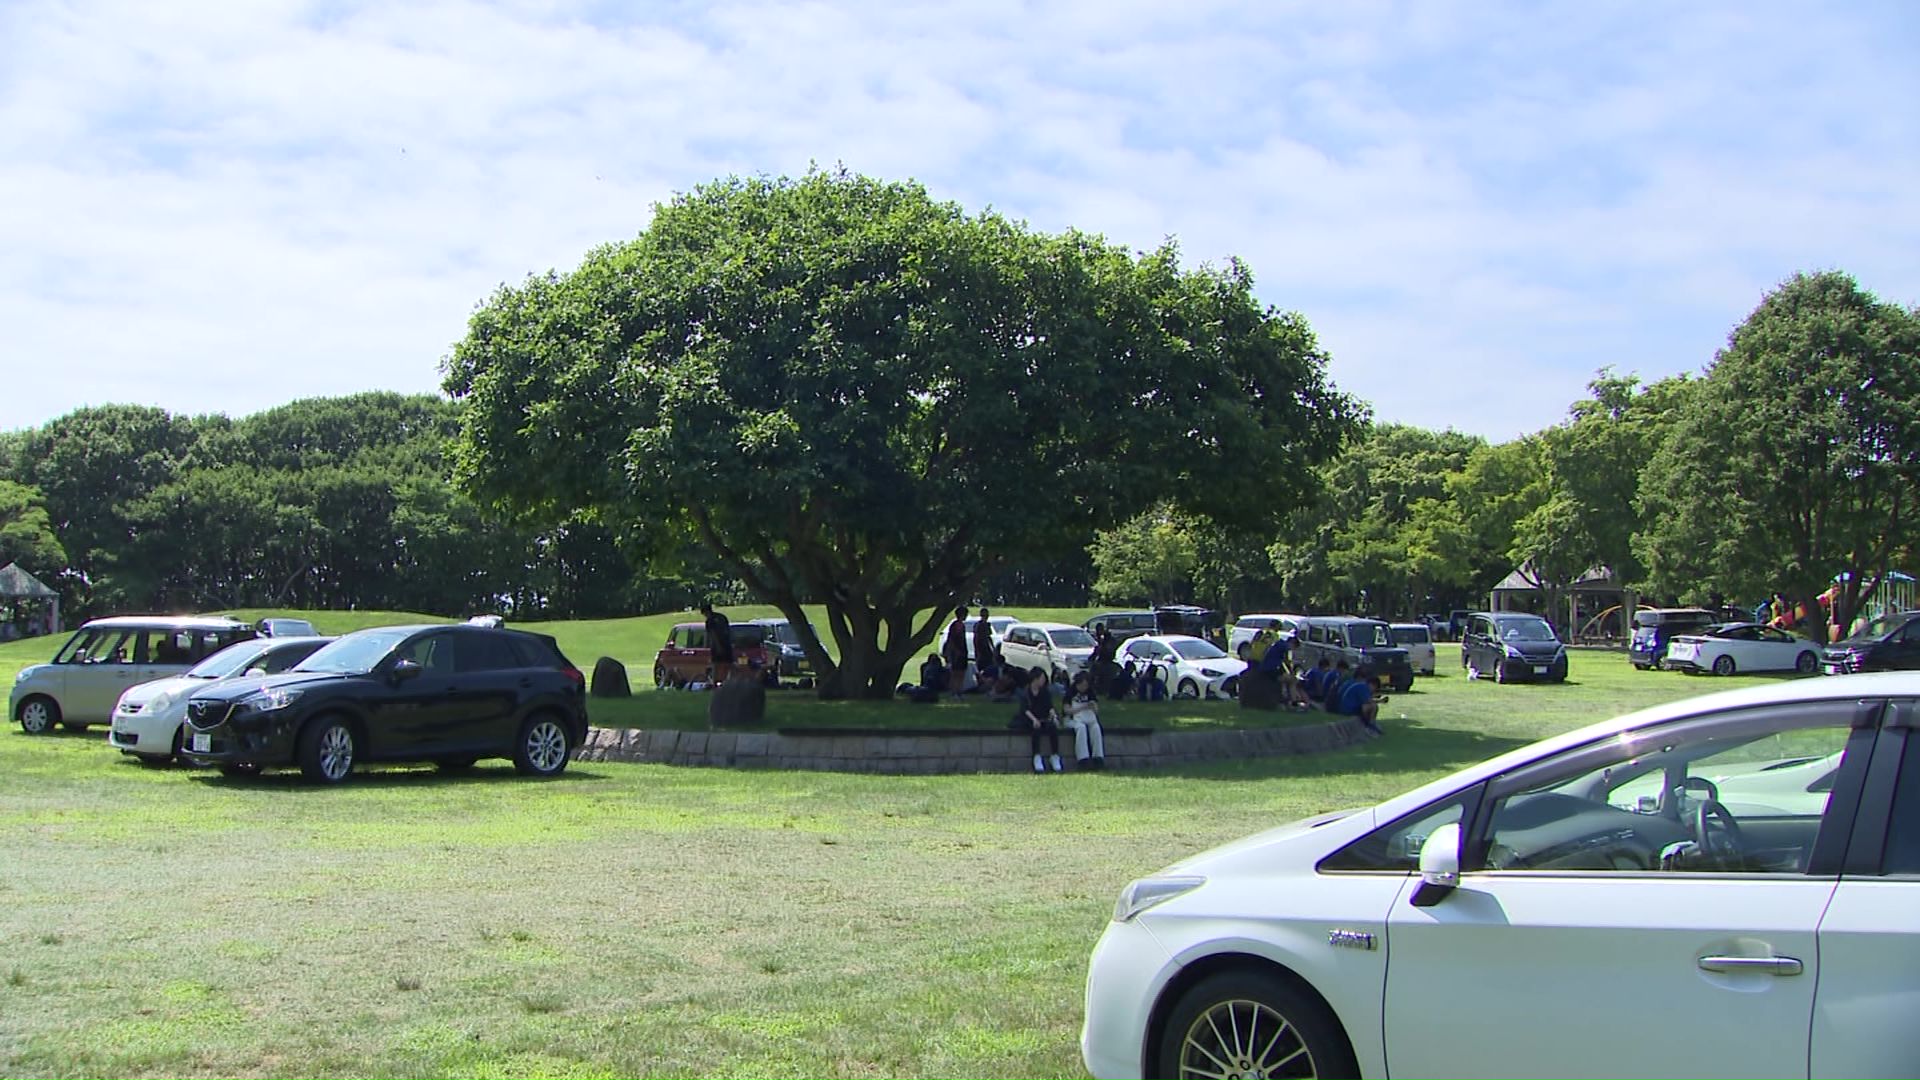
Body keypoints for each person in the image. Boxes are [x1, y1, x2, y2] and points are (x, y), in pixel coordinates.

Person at [1015, 666, 1064, 773]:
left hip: (1043, 718)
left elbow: (1049, 706)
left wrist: (1054, 716)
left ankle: (1055, 755)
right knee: (1035, 729)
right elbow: (1025, 709)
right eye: (1041, 678)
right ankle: (1036, 756)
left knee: (1052, 728)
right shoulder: (1026, 692)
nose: (1043, 680)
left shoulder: (1045, 692)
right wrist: (1034, 720)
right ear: (1035, 679)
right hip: (1029, 719)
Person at [1061, 670, 1107, 769]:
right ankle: (1083, 759)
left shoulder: (1090, 692)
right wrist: (1082, 707)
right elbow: (1067, 711)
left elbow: (1096, 710)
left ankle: (1098, 757)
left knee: (1096, 728)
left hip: (1087, 718)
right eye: (1082, 685)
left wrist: (1093, 706)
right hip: (1072, 719)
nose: (1084, 688)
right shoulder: (1070, 693)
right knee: (1081, 728)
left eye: (1086, 685)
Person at [1329, 662, 1384, 733]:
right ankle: (1370, 724)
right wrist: (1380, 701)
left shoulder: (1356, 684)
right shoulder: (1362, 686)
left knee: (1369, 705)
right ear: (1372, 684)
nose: (1373, 691)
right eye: (1375, 688)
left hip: (1341, 706)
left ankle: (1369, 723)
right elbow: (1368, 701)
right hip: (1347, 710)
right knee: (1373, 706)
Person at [701, 602, 734, 685]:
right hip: (727, 644)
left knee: (716, 665)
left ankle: (715, 683)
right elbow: (728, 631)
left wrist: (718, 646)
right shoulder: (722, 617)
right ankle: (728, 681)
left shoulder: (709, 621)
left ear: (706, 612)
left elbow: (713, 635)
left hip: (717, 646)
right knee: (728, 664)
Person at [943, 608, 970, 698]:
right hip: (958, 652)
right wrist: (956, 652)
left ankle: (959, 691)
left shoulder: (960, 625)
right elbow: (953, 640)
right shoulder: (956, 625)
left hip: (962, 652)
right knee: (956, 674)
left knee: (961, 673)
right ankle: (954, 691)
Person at [972, 609, 997, 684]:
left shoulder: (985, 624)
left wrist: (992, 648)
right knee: (983, 666)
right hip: (982, 649)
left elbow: (989, 637)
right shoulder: (980, 625)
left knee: (986, 666)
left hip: (984, 649)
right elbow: (978, 638)